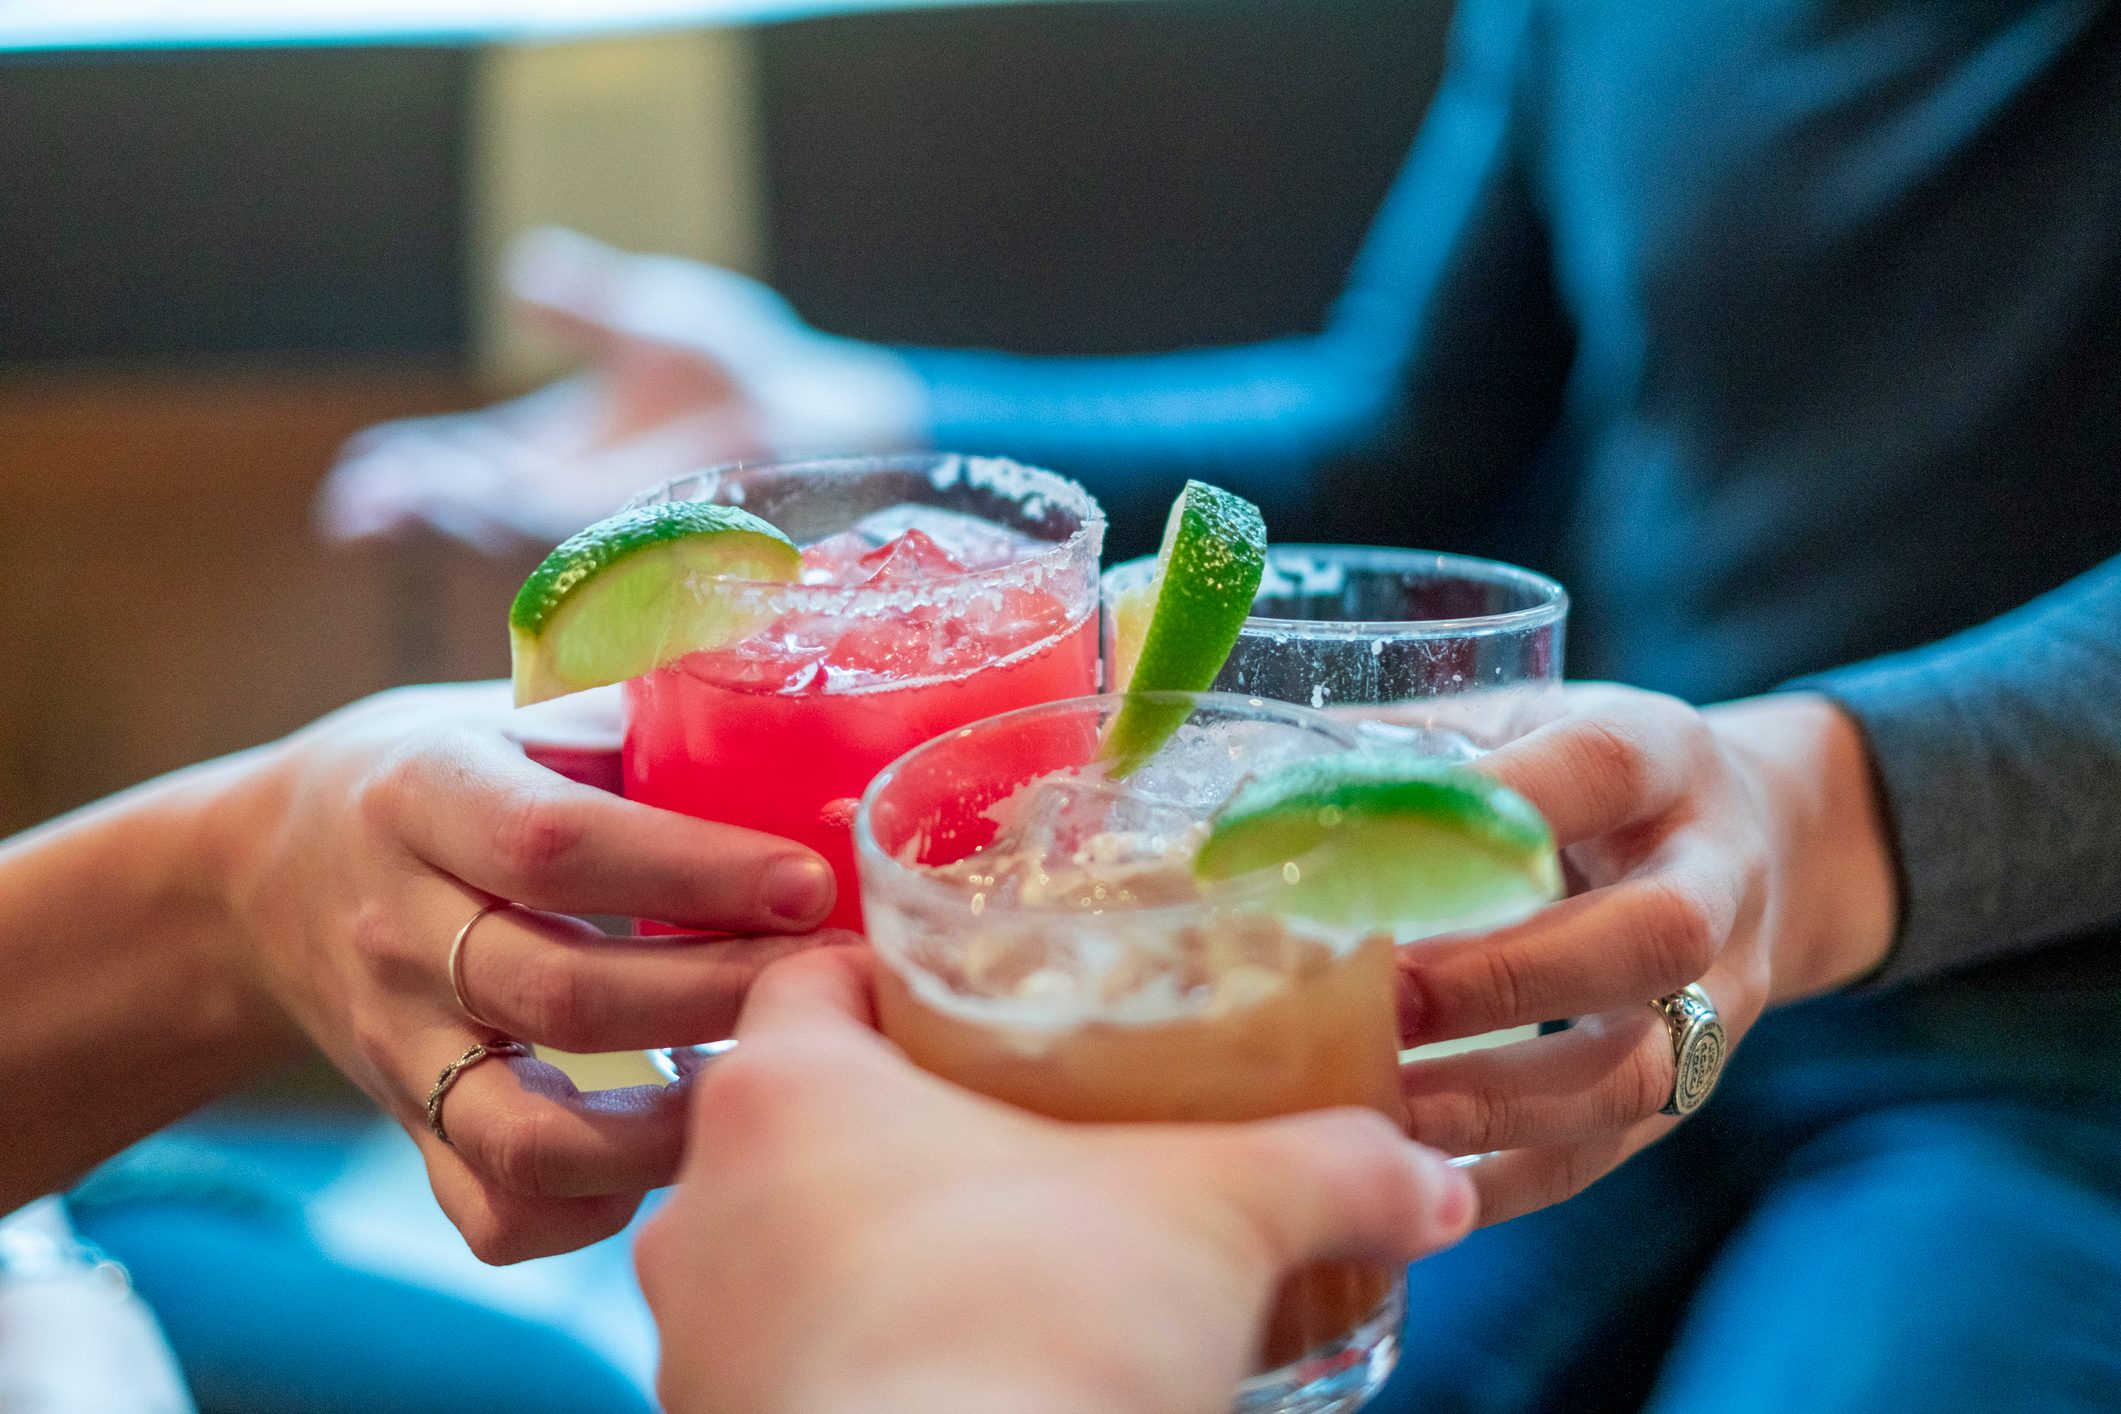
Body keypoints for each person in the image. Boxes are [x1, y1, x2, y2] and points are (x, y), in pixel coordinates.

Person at [316, 0, 2121, 1406]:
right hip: (1585, 954)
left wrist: (1823, 820)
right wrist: (850, 418)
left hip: (2048, 1051)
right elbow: (1410, 425)